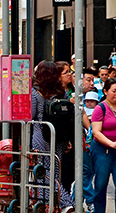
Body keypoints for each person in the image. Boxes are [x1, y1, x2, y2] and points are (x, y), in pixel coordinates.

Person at [31, 60, 74, 212]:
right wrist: (68, 138)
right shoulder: (62, 92)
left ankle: (64, 203)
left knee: (44, 171)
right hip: (60, 135)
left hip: (41, 135)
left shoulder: (36, 92)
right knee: (55, 170)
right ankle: (53, 204)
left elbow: (32, 115)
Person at [91, 78, 116, 213]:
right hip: (102, 150)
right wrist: (111, 143)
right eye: (113, 91)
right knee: (101, 184)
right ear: (105, 91)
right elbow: (96, 132)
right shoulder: (100, 108)